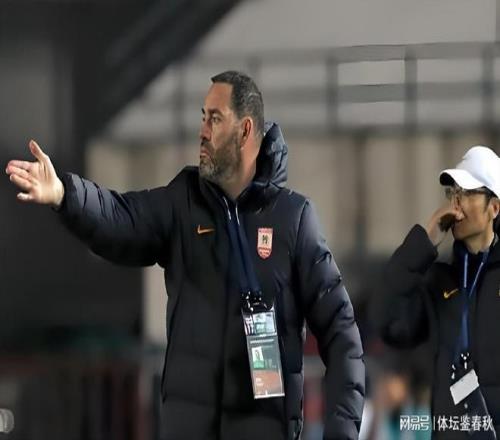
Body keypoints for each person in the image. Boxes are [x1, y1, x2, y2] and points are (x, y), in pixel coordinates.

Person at [6, 71, 365, 440]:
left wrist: (341, 432)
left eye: (215, 119)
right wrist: (65, 194)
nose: (202, 131)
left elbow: (341, 333)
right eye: (202, 117)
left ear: (244, 130)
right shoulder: (183, 203)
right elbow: (120, 217)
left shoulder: (293, 218)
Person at [373, 146, 500, 439]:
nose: (456, 203)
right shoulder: (437, 281)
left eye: (467, 193)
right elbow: (386, 320)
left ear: (494, 208)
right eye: (453, 193)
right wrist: (424, 242)